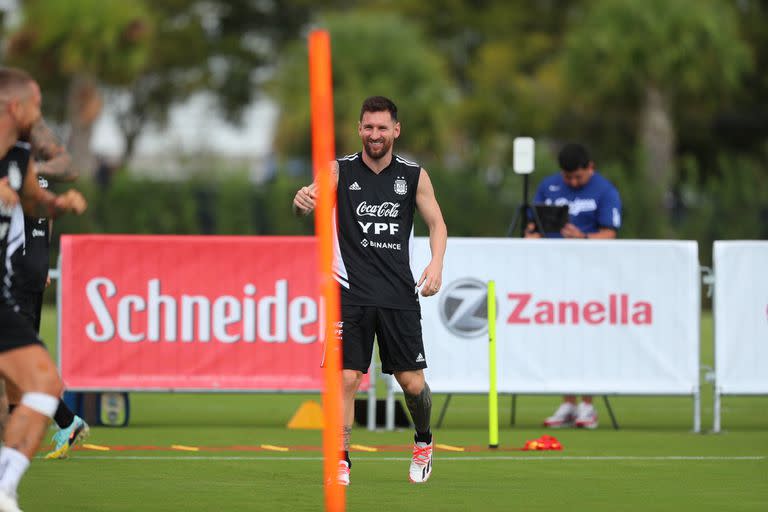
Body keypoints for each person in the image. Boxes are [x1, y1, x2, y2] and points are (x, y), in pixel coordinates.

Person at [293, 96, 447, 485]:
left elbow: (437, 225)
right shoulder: (338, 171)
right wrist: (301, 203)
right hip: (349, 292)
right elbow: (305, 205)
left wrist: (435, 263)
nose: (374, 134)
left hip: (397, 294)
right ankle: (341, 459)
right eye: (368, 127)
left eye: (382, 128)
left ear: (396, 130)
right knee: (347, 378)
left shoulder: (413, 175)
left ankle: (424, 441)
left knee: (412, 384)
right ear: (358, 129)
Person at [0, 67, 87, 512]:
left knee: (38, 382)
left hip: (8, 285)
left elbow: (37, 199)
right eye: (35, 104)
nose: (40, 115)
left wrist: (59, 204)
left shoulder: (19, 156)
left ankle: (5, 489)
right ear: (15, 107)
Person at [525, 142, 622, 429]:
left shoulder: (605, 191)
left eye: (578, 177)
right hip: (553, 273)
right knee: (559, 335)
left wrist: (583, 239)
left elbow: (611, 233)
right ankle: (568, 402)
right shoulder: (549, 186)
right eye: (568, 177)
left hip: (590, 275)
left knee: (586, 336)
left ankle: (587, 405)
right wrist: (534, 236)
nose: (573, 182)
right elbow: (532, 226)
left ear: (590, 167)